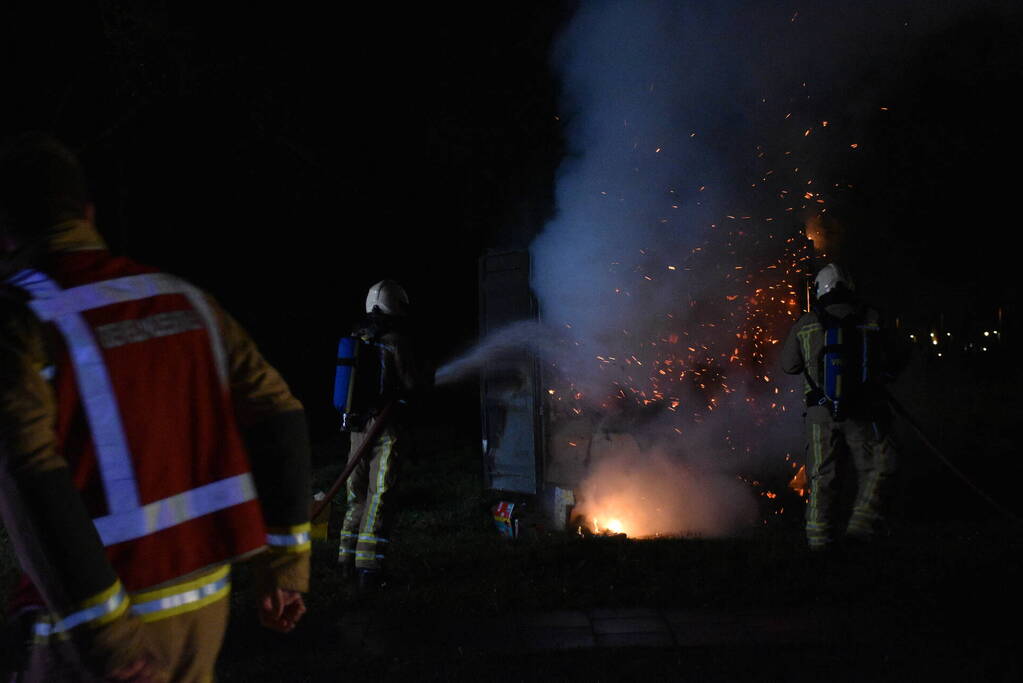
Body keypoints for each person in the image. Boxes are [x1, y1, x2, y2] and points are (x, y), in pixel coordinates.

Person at [0, 132, 312, 681]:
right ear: (87, 214)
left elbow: (27, 473)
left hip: (101, 638)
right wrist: (285, 567)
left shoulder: (20, 318)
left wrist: (109, 637)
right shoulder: (187, 300)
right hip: (203, 608)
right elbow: (279, 413)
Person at [781, 263, 900, 552]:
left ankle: (820, 546)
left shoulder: (807, 323)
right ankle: (860, 531)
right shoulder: (871, 318)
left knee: (822, 477)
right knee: (878, 467)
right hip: (864, 410)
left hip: (820, 416)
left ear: (820, 290)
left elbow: (789, 365)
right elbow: (897, 357)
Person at [337, 280, 429, 590]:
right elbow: (412, 383)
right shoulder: (396, 341)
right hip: (385, 427)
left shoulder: (356, 335)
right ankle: (369, 570)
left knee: (356, 494)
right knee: (380, 495)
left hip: (356, 428)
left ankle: (345, 562)